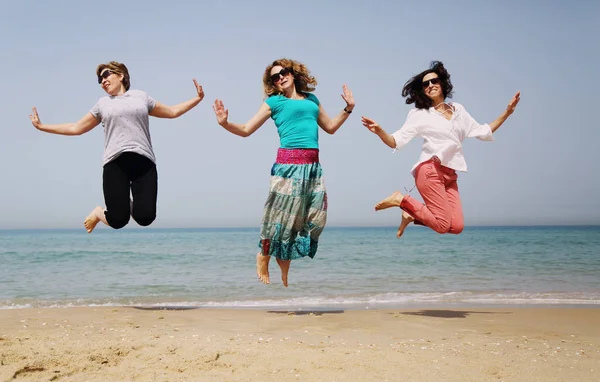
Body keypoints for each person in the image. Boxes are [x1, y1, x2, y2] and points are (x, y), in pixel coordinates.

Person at [212, 58, 354, 287]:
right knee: (279, 219)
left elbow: (330, 128)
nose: (280, 78)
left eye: (283, 73)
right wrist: (225, 123)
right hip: (287, 167)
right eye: (275, 77)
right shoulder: (273, 102)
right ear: (273, 84)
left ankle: (282, 258)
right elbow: (247, 129)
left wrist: (348, 109)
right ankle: (264, 256)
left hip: (312, 168)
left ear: (293, 73)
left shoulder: (312, 100)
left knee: (315, 219)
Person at [29, 61, 204, 233]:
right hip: (115, 163)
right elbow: (76, 128)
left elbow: (172, 112)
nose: (102, 81)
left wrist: (197, 99)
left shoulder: (141, 96)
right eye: (99, 80)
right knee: (118, 220)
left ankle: (125, 203)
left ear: (121, 75)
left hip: (143, 161)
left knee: (146, 218)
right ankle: (99, 213)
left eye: (106, 75)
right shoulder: (102, 104)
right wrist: (42, 126)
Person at [361, 61, 520, 238]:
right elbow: (395, 141)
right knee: (443, 225)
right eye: (425, 84)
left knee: (456, 226)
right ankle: (401, 199)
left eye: (434, 81)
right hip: (430, 171)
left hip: (449, 175)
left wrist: (507, 113)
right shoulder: (419, 115)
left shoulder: (458, 110)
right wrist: (379, 131)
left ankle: (410, 214)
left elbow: (483, 131)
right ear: (423, 90)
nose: (430, 85)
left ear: (442, 83)